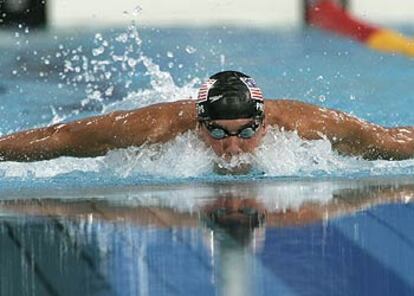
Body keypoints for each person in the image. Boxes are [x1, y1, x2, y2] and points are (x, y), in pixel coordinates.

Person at [0, 70, 414, 165]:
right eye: (216, 131)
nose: (232, 148)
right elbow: (62, 138)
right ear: (198, 125)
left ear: (265, 123)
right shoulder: (158, 128)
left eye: (246, 132)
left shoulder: (308, 127)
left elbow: (388, 140)